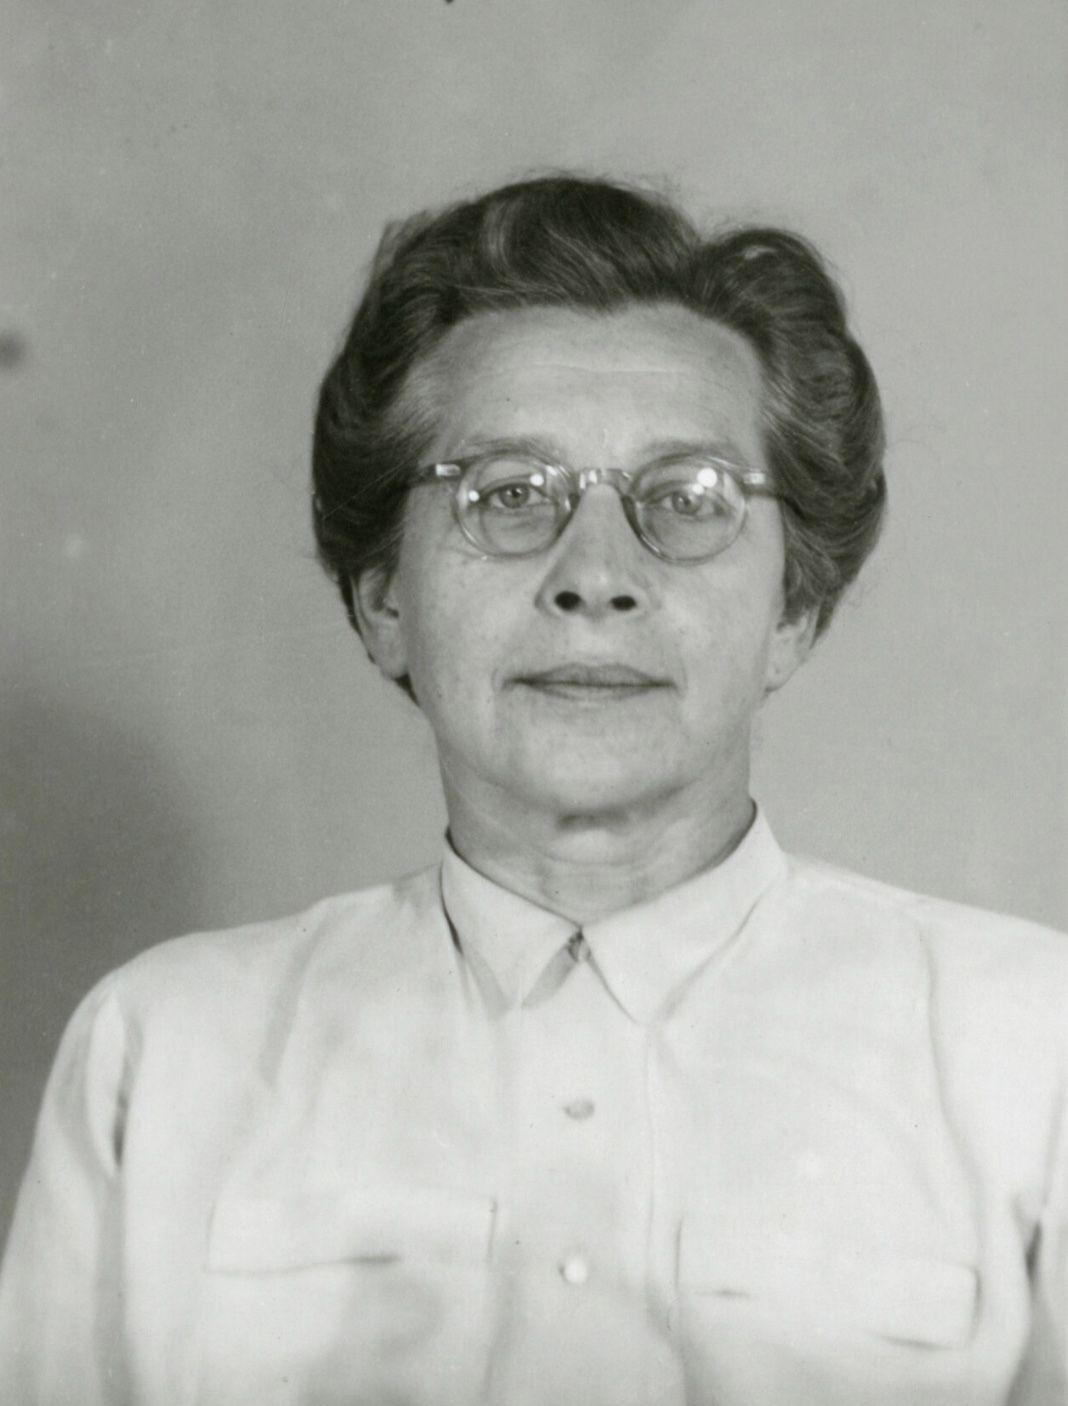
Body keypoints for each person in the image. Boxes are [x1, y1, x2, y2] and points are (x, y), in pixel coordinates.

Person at [1, 174, 1065, 1406]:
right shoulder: (168, 1050)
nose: (595, 575)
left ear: (794, 608)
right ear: (384, 598)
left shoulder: (1029, 1048)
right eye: (507, 494)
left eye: (689, 500)